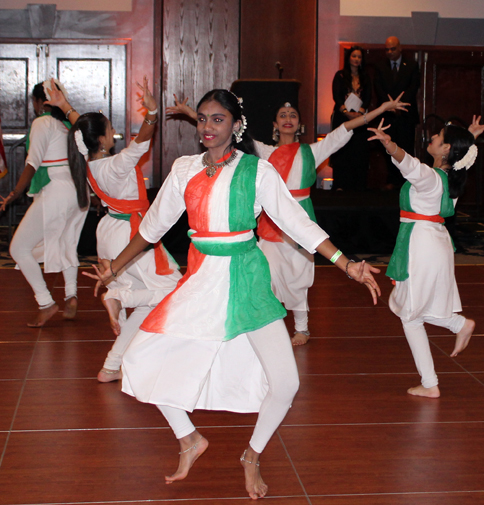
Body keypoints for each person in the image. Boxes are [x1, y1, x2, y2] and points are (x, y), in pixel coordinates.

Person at [91, 89, 382, 500]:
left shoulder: (257, 172)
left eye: (218, 120)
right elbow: (151, 228)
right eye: (203, 119)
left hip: (246, 280)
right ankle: (189, 439)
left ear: (236, 125)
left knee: (285, 384)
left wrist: (346, 263)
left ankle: (253, 454)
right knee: (139, 360)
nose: (207, 128)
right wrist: (115, 268)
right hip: (200, 281)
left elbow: (297, 223)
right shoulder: (184, 170)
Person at [165, 92, 408, 345]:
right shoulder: (263, 152)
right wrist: (193, 115)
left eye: (292, 115)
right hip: (270, 224)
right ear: (274, 124)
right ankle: (268, 328)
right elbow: (225, 128)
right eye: (282, 115)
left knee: (298, 277)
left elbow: (345, 128)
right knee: (265, 277)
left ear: (299, 124)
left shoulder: (312, 151)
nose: (287, 118)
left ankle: (302, 328)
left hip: (300, 220)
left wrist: (382, 108)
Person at [49, 76, 183, 382]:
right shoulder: (115, 165)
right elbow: (143, 141)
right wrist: (152, 113)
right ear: (101, 140)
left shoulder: (87, 161)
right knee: (172, 289)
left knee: (149, 298)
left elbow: (82, 128)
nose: (114, 133)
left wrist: (66, 106)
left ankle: (112, 364)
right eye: (110, 130)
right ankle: (120, 297)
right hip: (129, 235)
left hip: (108, 232)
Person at [367, 115, 484, 398]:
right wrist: (469, 136)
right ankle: (451, 337)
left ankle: (432, 381)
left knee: (410, 314)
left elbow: (410, 166)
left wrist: (389, 144)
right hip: (435, 242)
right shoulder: (451, 180)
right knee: (415, 309)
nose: (432, 138)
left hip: (421, 243)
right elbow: (458, 160)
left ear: (446, 150)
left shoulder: (432, 178)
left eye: (438, 137)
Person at [0, 79, 87, 327]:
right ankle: (71, 296)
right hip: (76, 190)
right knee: (66, 242)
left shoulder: (42, 122)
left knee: (18, 248)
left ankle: (46, 302)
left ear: (39, 102)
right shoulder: (65, 126)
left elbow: (32, 162)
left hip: (57, 189)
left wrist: (15, 193)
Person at [374, 36, 420, 190]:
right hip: (388, 116)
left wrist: (399, 105)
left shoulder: (412, 65)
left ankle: (406, 181)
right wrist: (390, 106)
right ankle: (392, 180)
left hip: (406, 114)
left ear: (400, 48)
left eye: (392, 49)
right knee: (388, 148)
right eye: (387, 49)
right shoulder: (380, 66)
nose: (390, 52)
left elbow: (413, 88)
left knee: (406, 148)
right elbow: (379, 89)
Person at [329, 45, 372, 191]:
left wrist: (359, 113)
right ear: (349, 58)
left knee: (358, 151)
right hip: (342, 118)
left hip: (360, 120)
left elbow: (368, 97)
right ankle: (340, 185)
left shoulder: (365, 77)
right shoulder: (340, 75)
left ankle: (358, 187)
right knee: (342, 151)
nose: (356, 59)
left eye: (359, 57)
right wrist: (346, 112)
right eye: (354, 56)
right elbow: (336, 96)